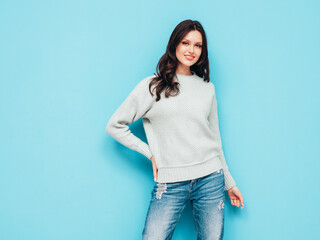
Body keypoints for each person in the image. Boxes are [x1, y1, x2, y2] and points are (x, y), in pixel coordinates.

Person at [105, 19, 244, 240]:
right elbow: (114, 125)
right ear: (175, 45)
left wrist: (229, 183)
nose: (191, 50)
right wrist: (150, 154)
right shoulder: (153, 86)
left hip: (210, 179)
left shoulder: (207, 89)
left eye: (197, 45)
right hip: (170, 181)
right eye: (185, 43)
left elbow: (215, 140)